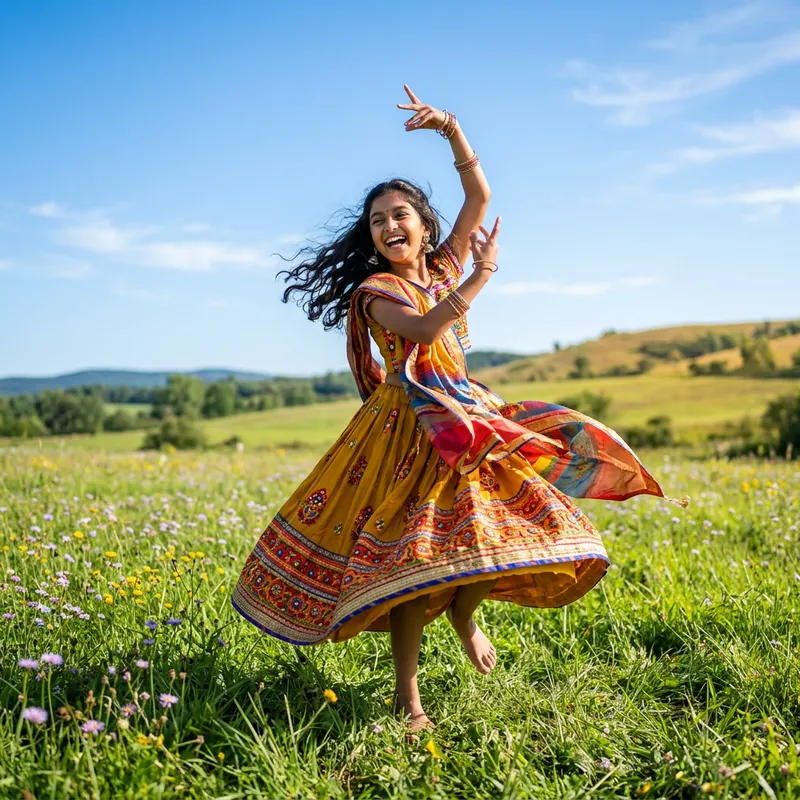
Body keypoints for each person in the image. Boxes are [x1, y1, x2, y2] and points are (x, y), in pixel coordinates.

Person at [232, 85, 676, 732]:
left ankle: (466, 613)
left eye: (400, 214)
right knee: (414, 560)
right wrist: (482, 276)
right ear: (373, 238)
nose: (389, 226)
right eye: (378, 220)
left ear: (422, 223)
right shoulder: (375, 289)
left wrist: (452, 130)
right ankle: (407, 699)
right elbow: (424, 330)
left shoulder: (439, 265)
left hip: (468, 416)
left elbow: (480, 199)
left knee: (488, 527)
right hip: (409, 429)